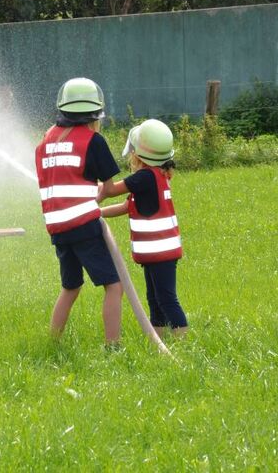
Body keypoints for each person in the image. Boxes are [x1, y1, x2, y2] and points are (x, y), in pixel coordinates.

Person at [35, 77, 123, 345]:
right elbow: (107, 188)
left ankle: (53, 342)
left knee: (70, 287)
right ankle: (113, 346)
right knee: (114, 286)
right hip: (83, 225)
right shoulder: (93, 140)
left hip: (57, 229)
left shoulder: (46, 140)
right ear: (96, 113)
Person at [100, 119, 188, 337]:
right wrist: (97, 213)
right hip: (155, 253)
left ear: (138, 154)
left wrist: (93, 193)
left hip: (161, 253)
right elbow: (125, 206)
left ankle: (184, 341)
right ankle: (158, 338)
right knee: (154, 298)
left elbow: (111, 190)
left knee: (166, 298)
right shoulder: (154, 176)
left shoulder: (145, 177)